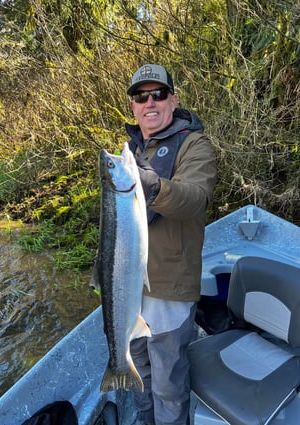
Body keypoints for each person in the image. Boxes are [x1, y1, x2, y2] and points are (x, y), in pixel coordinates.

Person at [125, 64, 217, 425]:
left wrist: (155, 187)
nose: (149, 102)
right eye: (140, 96)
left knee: (168, 384)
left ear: (173, 100)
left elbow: (194, 198)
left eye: (158, 94)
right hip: (128, 288)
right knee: (138, 375)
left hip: (169, 289)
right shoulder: (128, 151)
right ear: (132, 106)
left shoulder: (195, 144)